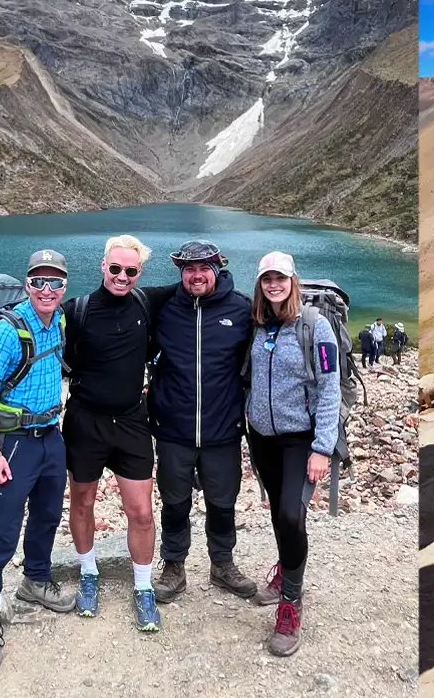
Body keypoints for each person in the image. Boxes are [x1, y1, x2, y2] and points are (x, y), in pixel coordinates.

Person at [0, 249, 77, 673]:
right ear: (27, 284)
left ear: (65, 286)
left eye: (55, 282)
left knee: (48, 515)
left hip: (51, 434)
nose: (46, 290)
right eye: (38, 281)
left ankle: (35, 580)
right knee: (2, 530)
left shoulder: (59, 320)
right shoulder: (8, 332)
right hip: (13, 443)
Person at [60, 235, 177, 631]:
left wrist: (213, 267)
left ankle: (143, 588)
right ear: (102, 266)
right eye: (115, 268)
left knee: (141, 512)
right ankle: (88, 573)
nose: (122, 276)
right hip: (85, 420)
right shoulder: (77, 309)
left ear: (139, 273)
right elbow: (55, 347)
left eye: (130, 271)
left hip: (131, 422)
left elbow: (195, 283)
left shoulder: (147, 302)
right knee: (82, 501)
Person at [149, 240, 256, 604]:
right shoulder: (164, 308)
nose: (196, 276)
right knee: (174, 501)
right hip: (173, 428)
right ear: (181, 273)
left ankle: (222, 563)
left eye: (203, 268)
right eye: (189, 270)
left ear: (217, 269)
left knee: (223, 501)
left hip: (223, 429)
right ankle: (174, 566)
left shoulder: (241, 309)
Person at [245, 251, 341, 656]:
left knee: (290, 513)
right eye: (267, 278)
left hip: (301, 438)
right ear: (260, 284)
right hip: (262, 436)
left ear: (293, 280)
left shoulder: (315, 327)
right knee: (277, 513)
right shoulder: (258, 325)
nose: (274, 285)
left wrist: (323, 448)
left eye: (280, 278)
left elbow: (330, 387)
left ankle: (291, 603)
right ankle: (286, 570)